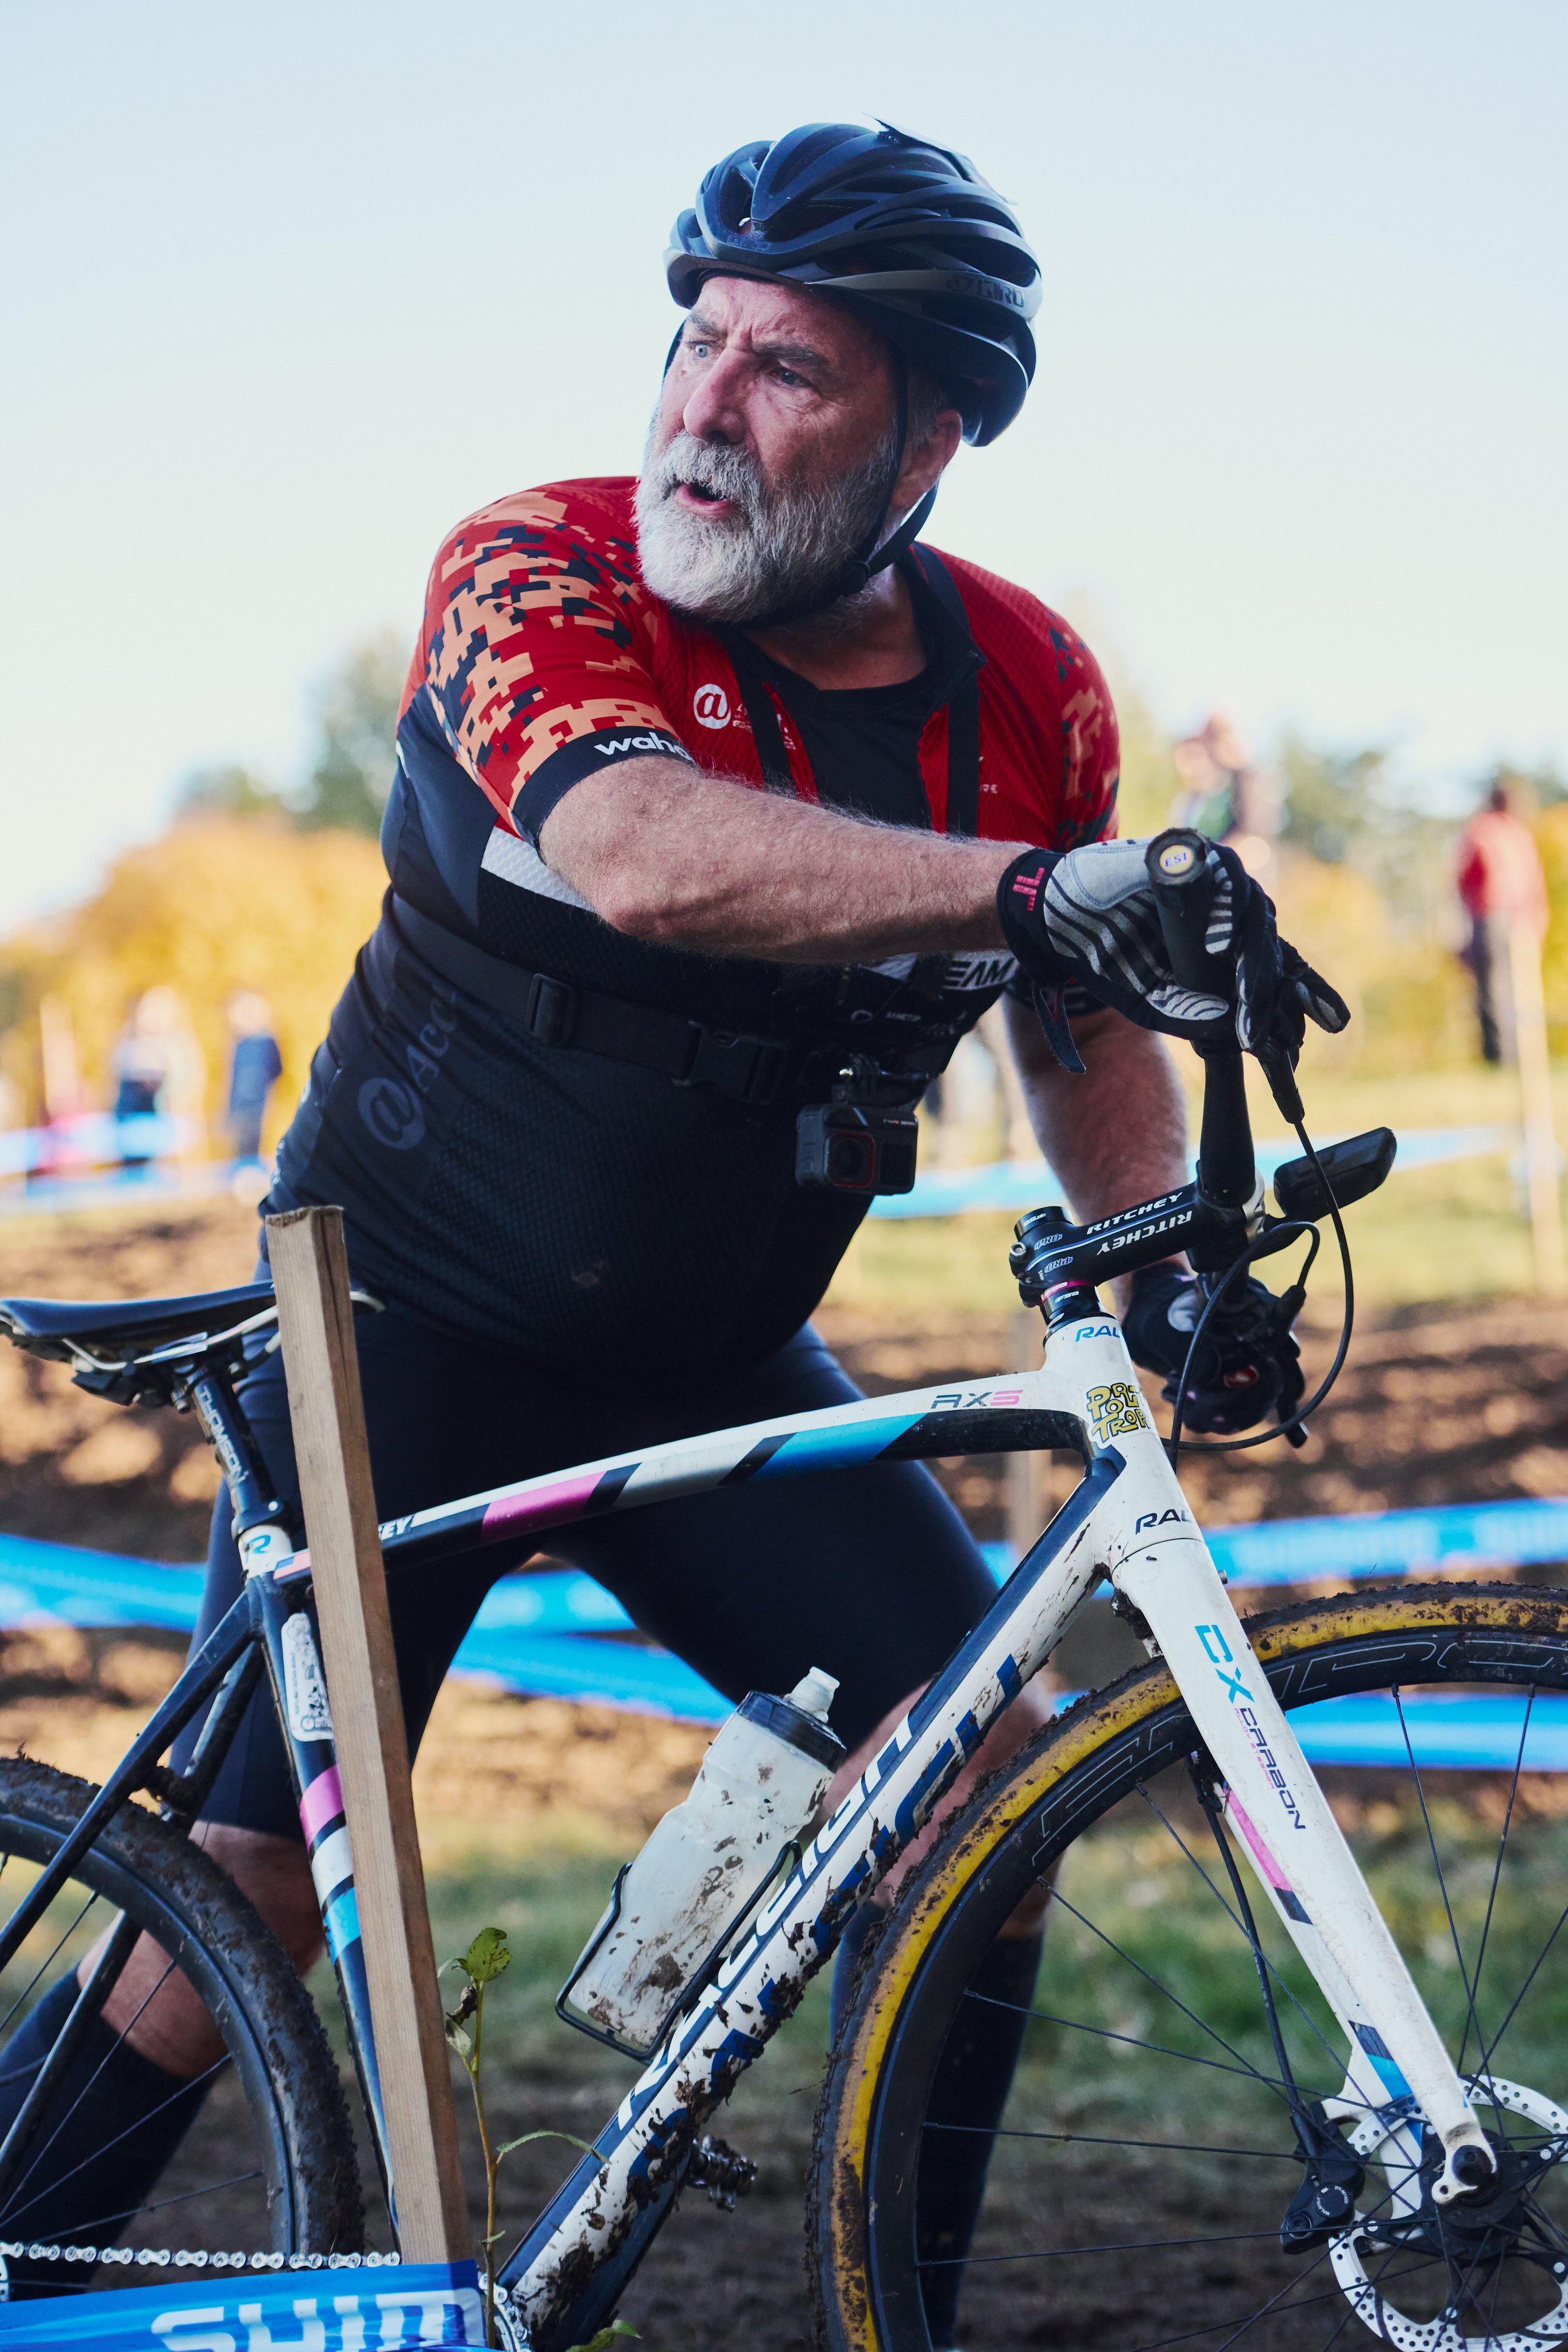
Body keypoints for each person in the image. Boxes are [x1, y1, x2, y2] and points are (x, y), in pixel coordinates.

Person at [0, 123, 1340, 2336]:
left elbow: (1078, 1020)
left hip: (714, 1356)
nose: (703, 406)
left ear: (930, 435)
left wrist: (1167, 1258)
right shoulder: (532, 568)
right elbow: (639, 851)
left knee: (976, 1802)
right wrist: (1030, 888)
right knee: (229, 1901)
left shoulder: (1032, 688)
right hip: (403, 1323)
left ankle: (891, 2310)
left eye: (784, 369)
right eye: (693, 342)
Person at [1457, 781, 1549, 1064]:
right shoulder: (1519, 834)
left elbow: (1464, 879)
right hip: (1514, 916)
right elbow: (1535, 880)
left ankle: (1501, 1055)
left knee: (1495, 986)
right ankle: (1514, 1054)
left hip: (1495, 915)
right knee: (1512, 984)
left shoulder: (1483, 830)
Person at [224, 991, 283, 1163]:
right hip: (240, 1104)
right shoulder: (238, 1043)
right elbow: (232, 1078)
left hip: (260, 1102)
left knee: (256, 1138)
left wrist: (261, 1082)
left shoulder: (267, 1041)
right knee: (239, 1142)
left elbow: (277, 1069)